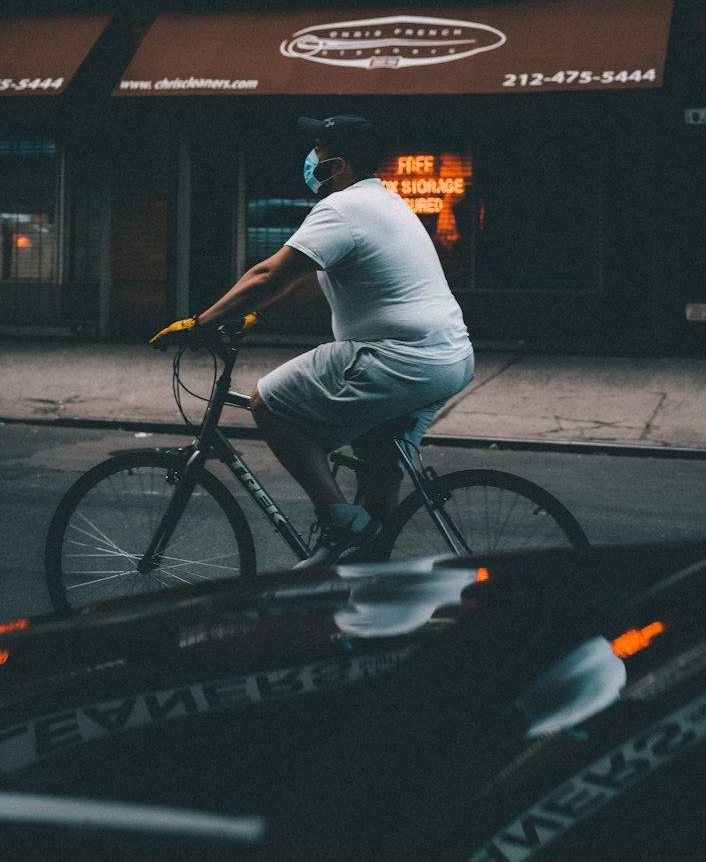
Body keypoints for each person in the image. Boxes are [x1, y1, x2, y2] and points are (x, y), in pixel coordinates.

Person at [150, 114, 475, 566]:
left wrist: (201, 323)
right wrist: (256, 314)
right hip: (447, 358)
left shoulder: (341, 208)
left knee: (268, 402)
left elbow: (268, 273)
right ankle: (362, 576)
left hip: (396, 356)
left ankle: (338, 520)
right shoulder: (384, 202)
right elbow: (311, 271)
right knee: (378, 467)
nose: (310, 159)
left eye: (318, 150)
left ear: (335, 165)